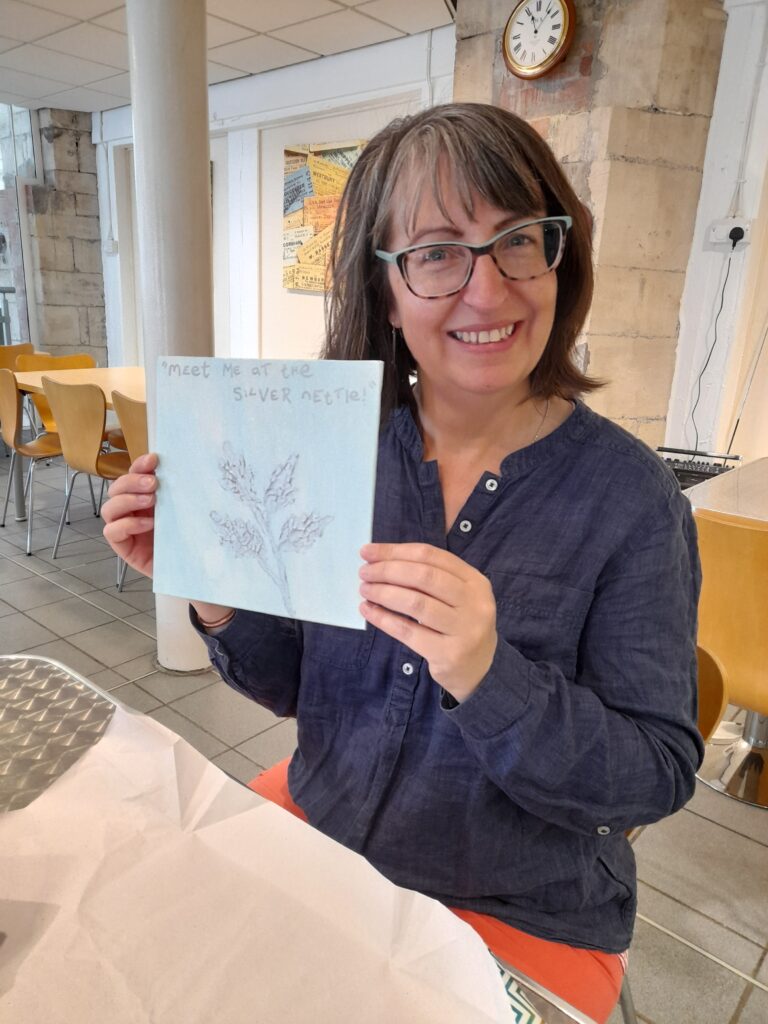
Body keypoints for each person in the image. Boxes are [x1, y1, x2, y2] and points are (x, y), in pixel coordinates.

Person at [102, 103, 702, 1023]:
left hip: (522, 911)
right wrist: (215, 594)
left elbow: (652, 777)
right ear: (383, 287)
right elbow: (299, 687)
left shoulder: (631, 502)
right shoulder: (336, 454)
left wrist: (491, 677)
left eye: (517, 241)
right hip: (323, 836)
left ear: (559, 255)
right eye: (436, 252)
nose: (489, 289)